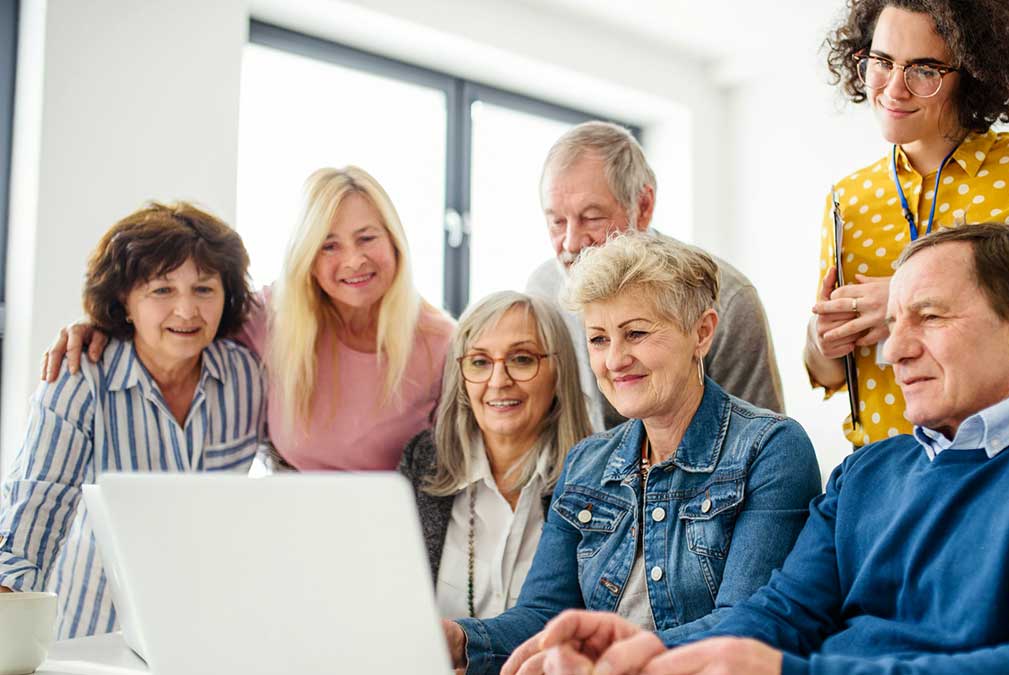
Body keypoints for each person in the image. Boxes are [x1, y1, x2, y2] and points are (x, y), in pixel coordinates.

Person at [513, 224, 1009, 675]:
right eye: (893, 324)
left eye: (928, 317)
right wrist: (651, 648)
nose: (893, 349)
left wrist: (792, 673)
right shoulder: (868, 471)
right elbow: (782, 613)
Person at [445, 233, 821, 674]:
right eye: (599, 339)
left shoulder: (771, 449)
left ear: (702, 332)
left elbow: (750, 626)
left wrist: (608, 658)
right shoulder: (586, 462)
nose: (615, 359)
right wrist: (459, 639)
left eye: (636, 333)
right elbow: (542, 617)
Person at [806, 0, 1009, 447]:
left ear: (973, 74)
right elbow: (832, 375)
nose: (894, 89)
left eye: (925, 70)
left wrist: (911, 306)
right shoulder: (847, 198)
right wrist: (822, 344)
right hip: (882, 474)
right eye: (881, 62)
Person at [43, 166, 454, 470]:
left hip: (394, 544)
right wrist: (102, 324)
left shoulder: (441, 343)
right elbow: (182, 321)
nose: (353, 260)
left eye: (367, 238)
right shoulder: (271, 318)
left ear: (395, 242)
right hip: (288, 537)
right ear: (306, 257)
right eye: (328, 245)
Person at [0, 202, 266, 639]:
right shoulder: (78, 379)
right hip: (93, 637)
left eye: (204, 289)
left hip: (205, 635)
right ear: (124, 301)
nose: (187, 311)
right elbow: (35, 510)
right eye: (162, 290)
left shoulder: (247, 376)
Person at [527, 121, 785, 429]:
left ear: (644, 205)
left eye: (592, 217)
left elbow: (760, 438)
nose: (570, 243)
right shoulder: (542, 290)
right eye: (556, 222)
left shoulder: (727, 298)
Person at [398, 291, 592, 619]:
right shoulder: (423, 463)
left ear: (559, 371)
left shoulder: (597, 477)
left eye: (522, 359)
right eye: (480, 362)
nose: (498, 381)